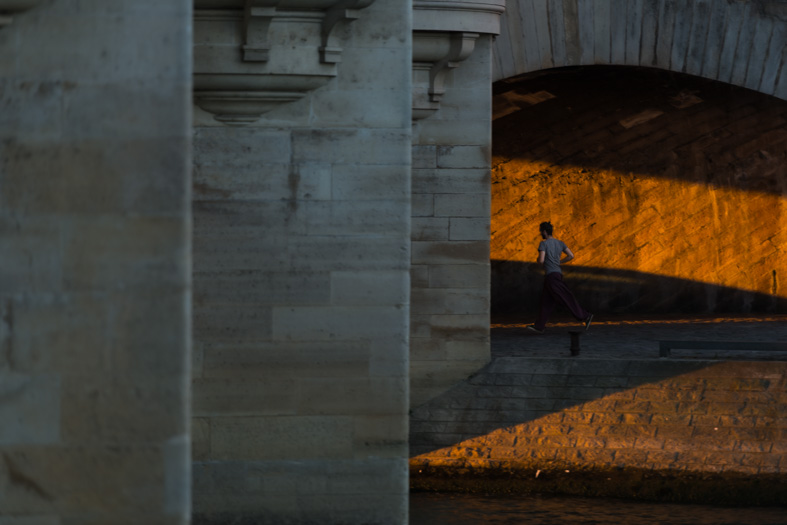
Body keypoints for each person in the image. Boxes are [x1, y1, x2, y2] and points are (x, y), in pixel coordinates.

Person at [527, 221, 593, 333]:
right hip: (557, 274)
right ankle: (539, 326)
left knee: (566, 297)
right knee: (546, 302)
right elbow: (571, 256)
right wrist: (560, 262)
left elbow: (541, 260)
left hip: (552, 277)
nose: (540, 234)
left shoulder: (543, 244)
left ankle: (586, 316)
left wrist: (538, 259)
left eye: (541, 232)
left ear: (544, 232)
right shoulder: (560, 243)